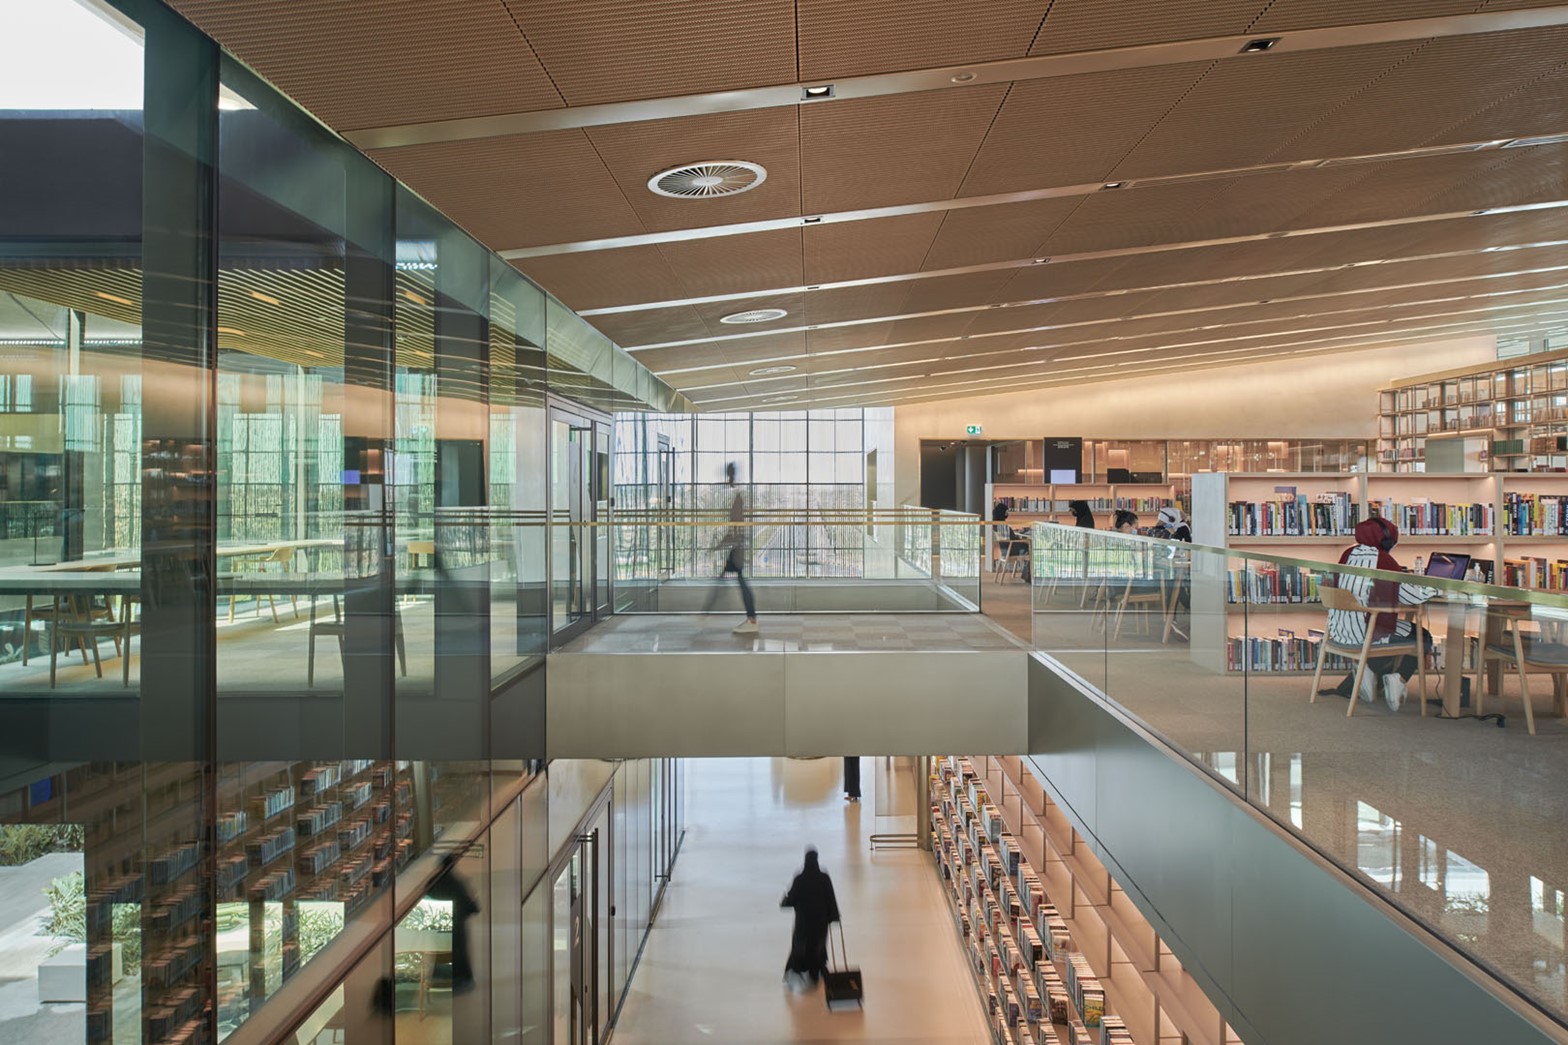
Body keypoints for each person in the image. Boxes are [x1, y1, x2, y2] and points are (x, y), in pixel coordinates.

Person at [1327, 517, 1436, 711]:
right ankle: (1398, 679)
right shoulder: (1383, 560)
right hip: (1367, 633)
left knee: (1399, 631)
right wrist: (1436, 588)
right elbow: (1412, 597)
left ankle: (1367, 670)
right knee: (1422, 636)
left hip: (1340, 631)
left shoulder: (1347, 554)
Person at [780, 847, 841, 989]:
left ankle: (797, 968)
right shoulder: (824, 878)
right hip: (820, 922)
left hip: (804, 922)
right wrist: (834, 916)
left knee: (801, 944)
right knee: (818, 945)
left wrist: (785, 901)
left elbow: (792, 898)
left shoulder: (800, 879)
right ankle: (815, 971)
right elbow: (830, 898)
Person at [710, 461, 758, 634]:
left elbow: (735, 526)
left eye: (728, 474)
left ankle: (752, 620)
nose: (727, 478)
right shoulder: (737, 493)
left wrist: (721, 543)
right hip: (737, 545)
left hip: (738, 546)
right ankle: (750, 619)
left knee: (739, 581)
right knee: (734, 580)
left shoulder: (737, 495)